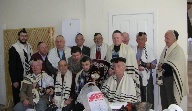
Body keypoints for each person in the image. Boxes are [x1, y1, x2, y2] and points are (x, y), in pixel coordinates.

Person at [156, 30, 189, 110]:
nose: (165, 40)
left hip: (172, 81)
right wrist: (163, 66)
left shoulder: (178, 50)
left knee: (171, 103)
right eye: (165, 38)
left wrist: (163, 66)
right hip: (163, 79)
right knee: (164, 102)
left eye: (167, 38)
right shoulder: (166, 48)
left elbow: (174, 67)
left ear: (174, 39)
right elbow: (164, 63)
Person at [106, 30, 141, 101]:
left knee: (124, 99)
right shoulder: (109, 49)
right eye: (114, 38)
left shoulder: (128, 49)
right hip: (113, 78)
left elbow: (131, 64)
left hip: (126, 78)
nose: (116, 40)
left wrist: (120, 71)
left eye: (117, 38)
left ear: (122, 38)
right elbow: (109, 63)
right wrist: (110, 70)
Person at [8, 28, 33, 105]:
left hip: (28, 76)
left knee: (27, 95)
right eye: (22, 36)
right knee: (17, 96)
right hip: (18, 77)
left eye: (25, 36)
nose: (23, 37)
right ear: (19, 36)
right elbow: (11, 65)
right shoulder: (13, 48)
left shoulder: (29, 47)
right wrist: (14, 80)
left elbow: (31, 60)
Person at [134, 32, 157, 108]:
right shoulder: (132, 50)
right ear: (136, 40)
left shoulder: (150, 51)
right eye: (139, 39)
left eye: (142, 39)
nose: (140, 41)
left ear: (146, 40)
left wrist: (142, 63)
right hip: (135, 76)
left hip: (147, 77)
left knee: (148, 97)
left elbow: (153, 65)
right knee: (137, 97)